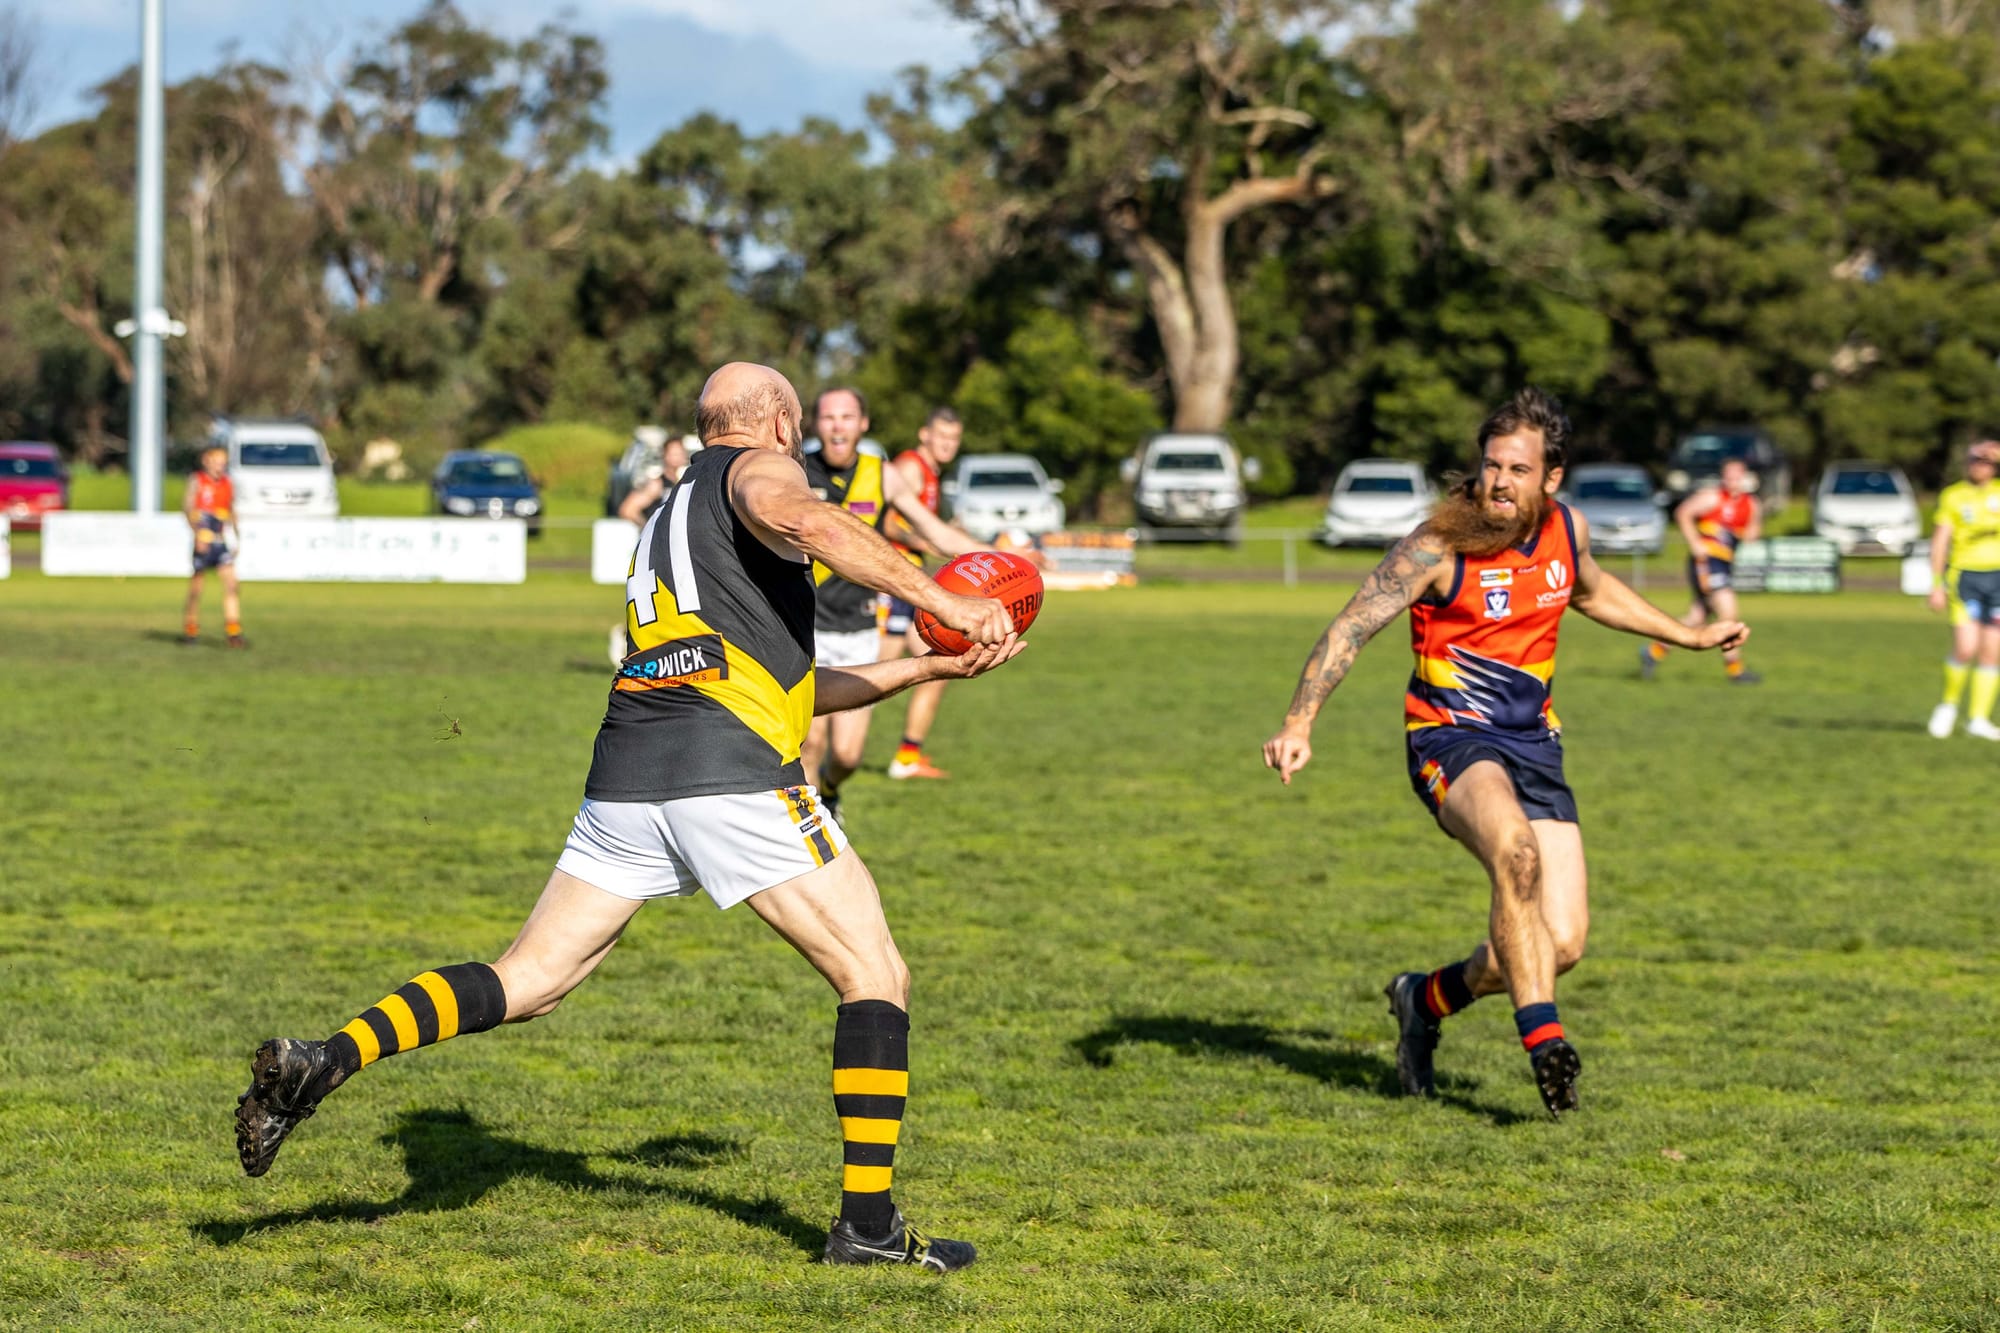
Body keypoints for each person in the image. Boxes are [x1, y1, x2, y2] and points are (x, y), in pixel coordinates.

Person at [234, 363, 1021, 1272]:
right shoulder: (758, 472)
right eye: (795, 419)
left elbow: (790, 688)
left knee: (528, 977)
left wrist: (923, 667)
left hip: (630, 767)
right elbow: (808, 517)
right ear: (773, 419)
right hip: (725, 767)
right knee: (874, 970)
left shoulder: (669, 515)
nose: (799, 436)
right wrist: (948, 600)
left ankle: (323, 1059)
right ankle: (869, 1227)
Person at [1261, 388, 1748, 1117]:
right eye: (1491, 465)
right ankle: (1545, 1043)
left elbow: (1592, 591)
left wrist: (1689, 633)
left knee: (1562, 943)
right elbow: (1349, 628)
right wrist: (1299, 721)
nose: (1498, 481)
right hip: (1449, 739)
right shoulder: (1437, 546)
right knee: (1515, 855)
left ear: (1551, 477)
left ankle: (1421, 998)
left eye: (1517, 469)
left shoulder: (1565, 528)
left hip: (1535, 745)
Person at [800, 388, 991, 815]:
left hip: (860, 627)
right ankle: (811, 830)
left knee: (847, 756)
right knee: (809, 743)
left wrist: (994, 557)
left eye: (847, 417)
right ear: (816, 424)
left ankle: (830, 791)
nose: (838, 426)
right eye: (829, 417)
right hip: (804, 625)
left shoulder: (881, 474)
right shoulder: (795, 471)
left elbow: (934, 532)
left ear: (863, 424)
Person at [877, 407, 967, 780]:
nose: (947, 444)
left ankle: (908, 756)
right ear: (924, 435)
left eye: (953, 439)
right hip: (890, 583)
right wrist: (927, 540)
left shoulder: (931, 472)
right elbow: (887, 523)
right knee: (865, 672)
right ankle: (806, 750)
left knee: (939, 666)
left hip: (907, 584)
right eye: (941, 437)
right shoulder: (911, 467)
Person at [1641, 457, 1762, 683]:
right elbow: (1683, 513)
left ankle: (1653, 652)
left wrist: (1750, 528)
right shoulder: (1712, 497)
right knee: (1728, 612)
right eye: (1729, 476)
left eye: (1738, 477)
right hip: (1707, 562)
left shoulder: (1751, 504)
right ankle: (1735, 670)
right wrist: (1695, 542)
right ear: (1724, 477)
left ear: (1745, 479)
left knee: (1697, 617)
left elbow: (1753, 534)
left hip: (1725, 563)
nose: (1733, 481)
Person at [1926, 439, 2000, 740]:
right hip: (1965, 578)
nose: (1979, 467)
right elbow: (1940, 541)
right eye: (1975, 460)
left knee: (1991, 652)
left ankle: (1979, 719)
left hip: (1998, 579)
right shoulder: (1954, 496)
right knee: (1966, 647)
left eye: (1986, 461)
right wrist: (1935, 584)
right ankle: (1948, 705)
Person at [609, 435, 694, 666]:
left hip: (680, 553)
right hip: (657, 555)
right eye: (672, 452)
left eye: (680, 452)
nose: (676, 456)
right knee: (656, 604)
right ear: (664, 455)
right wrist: (650, 528)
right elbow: (627, 509)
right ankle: (626, 636)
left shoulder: (688, 482)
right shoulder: (658, 483)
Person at [182, 445, 245, 648]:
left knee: (232, 585)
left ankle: (233, 632)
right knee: (196, 589)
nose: (220, 466)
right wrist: (197, 533)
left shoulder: (227, 483)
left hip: (220, 540)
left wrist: (236, 537)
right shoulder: (197, 481)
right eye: (217, 462)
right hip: (203, 540)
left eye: (223, 463)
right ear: (206, 461)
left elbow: (231, 510)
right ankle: (191, 630)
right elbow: (188, 508)